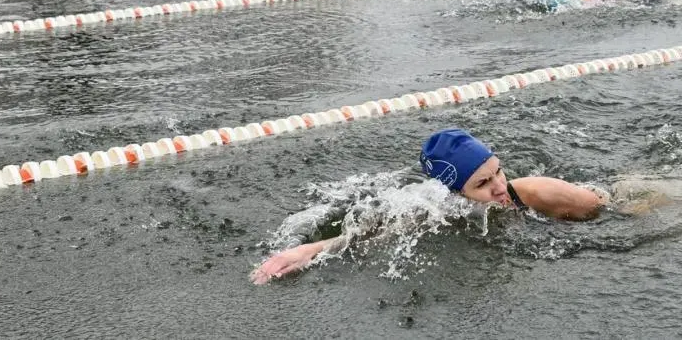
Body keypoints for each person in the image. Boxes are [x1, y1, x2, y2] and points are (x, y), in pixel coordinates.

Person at [250, 129, 607, 285]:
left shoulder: (534, 191)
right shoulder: (439, 207)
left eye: (498, 171)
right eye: (482, 183)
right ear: (452, 192)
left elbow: (603, 207)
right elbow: (373, 231)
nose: (500, 187)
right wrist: (312, 249)